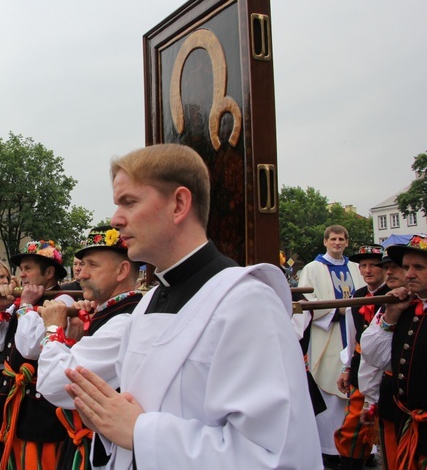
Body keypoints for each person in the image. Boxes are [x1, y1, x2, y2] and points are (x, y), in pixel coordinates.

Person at [34, 144, 319, 469]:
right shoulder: (146, 306)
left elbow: (277, 455)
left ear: (179, 204)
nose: (116, 219)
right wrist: (107, 423)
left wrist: (141, 432)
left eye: (129, 202)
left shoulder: (247, 303)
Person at [37, 226, 142, 469]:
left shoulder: (123, 322)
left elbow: (54, 383)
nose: (81, 274)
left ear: (122, 270)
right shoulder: (113, 313)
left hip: (100, 453)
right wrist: (74, 337)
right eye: (82, 265)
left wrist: (53, 329)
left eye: (92, 265)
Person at [0, 239, 75, 469]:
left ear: (49, 272)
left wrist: (26, 306)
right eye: (21, 269)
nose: (21, 275)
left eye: (28, 268)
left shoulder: (62, 302)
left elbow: (30, 348)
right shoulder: (24, 303)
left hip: (41, 407)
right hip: (15, 402)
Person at [298, 225, 365, 466]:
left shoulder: (356, 268)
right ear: (325, 242)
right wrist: (337, 310)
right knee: (330, 392)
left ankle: (359, 446)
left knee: (358, 388)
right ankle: (329, 448)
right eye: (333, 239)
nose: (337, 243)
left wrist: (350, 312)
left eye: (341, 239)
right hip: (329, 334)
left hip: (355, 334)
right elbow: (306, 301)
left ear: (347, 243)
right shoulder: (312, 269)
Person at [360, 234, 427, 468]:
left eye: (418, 267)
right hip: (407, 421)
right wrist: (391, 315)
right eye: (406, 266)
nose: (408, 274)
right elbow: (375, 357)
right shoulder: (404, 307)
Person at [334, 245, 387, 470]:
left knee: (383, 427)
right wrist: (347, 368)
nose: (367, 270)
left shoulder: (392, 295)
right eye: (363, 265)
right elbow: (352, 335)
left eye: (373, 265)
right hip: (359, 368)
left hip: (385, 371)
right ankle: (352, 462)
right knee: (352, 426)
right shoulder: (358, 295)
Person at [358, 253, 407, 470]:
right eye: (387, 267)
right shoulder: (388, 306)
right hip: (391, 398)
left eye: (397, 267)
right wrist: (370, 400)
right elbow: (370, 356)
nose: (389, 272)